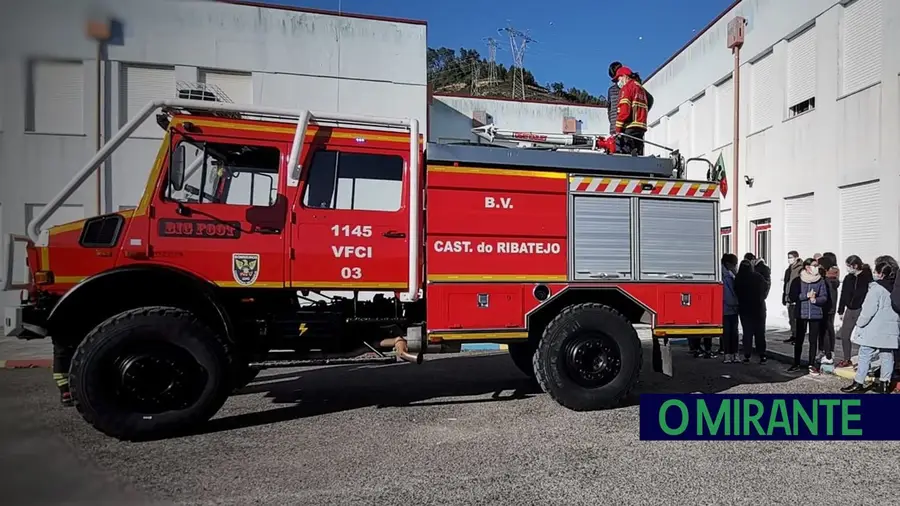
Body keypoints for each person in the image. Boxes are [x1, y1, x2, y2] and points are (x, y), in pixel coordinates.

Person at [840, 260, 899, 394]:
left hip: (874, 329)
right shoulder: (895, 288)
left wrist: (859, 323)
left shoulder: (876, 289)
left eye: (876, 271)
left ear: (881, 274)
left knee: (865, 354)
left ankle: (858, 383)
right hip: (891, 329)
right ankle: (885, 384)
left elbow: (868, 311)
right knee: (887, 355)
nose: (874, 274)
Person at [787, 258, 828, 374]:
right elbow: (792, 296)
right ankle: (796, 363)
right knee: (799, 340)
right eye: (814, 265)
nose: (817, 267)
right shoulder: (797, 280)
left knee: (813, 340)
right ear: (807, 267)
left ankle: (811, 364)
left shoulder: (820, 280)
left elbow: (824, 296)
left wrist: (816, 300)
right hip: (801, 313)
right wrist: (806, 295)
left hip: (815, 314)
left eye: (817, 265)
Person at [837, 256, 872, 368]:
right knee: (845, 335)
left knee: (863, 337)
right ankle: (847, 358)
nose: (847, 268)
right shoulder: (848, 278)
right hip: (850, 309)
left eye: (849, 266)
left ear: (855, 266)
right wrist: (841, 309)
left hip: (861, 309)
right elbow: (843, 293)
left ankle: (864, 361)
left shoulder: (866, 278)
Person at [735, 259, 767, 363]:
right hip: (759, 308)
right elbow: (765, 288)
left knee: (747, 332)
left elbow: (736, 292)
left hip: (745, 309)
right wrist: (761, 298)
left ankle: (747, 354)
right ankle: (762, 355)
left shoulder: (738, 278)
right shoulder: (758, 277)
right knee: (760, 333)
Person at [613, 66, 649, 156]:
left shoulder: (627, 88)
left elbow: (624, 111)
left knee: (626, 157)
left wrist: (617, 129)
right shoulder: (640, 88)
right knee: (638, 157)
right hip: (641, 128)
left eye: (618, 78)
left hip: (630, 127)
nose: (618, 82)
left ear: (625, 76)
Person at [816, 252, 840, 366]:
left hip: (826, 308)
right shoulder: (833, 279)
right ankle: (829, 352)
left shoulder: (826, 280)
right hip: (831, 307)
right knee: (829, 330)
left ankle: (827, 354)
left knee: (825, 331)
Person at [721, 253, 740, 363]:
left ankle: (733, 353)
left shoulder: (731, 275)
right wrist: (735, 303)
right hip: (727, 308)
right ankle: (729, 354)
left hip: (732, 308)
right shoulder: (725, 276)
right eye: (734, 264)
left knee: (734, 332)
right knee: (728, 332)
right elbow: (727, 294)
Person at [782, 251, 803, 344]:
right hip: (789, 297)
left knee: (796, 319)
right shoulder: (789, 269)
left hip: (796, 297)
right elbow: (786, 284)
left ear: (796, 258)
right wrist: (785, 297)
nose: (789, 259)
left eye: (791, 257)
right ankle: (793, 335)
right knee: (791, 319)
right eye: (788, 257)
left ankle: (798, 337)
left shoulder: (800, 269)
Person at [606, 61, 622, 137]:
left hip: (616, 128)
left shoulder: (611, 90)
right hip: (620, 128)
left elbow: (609, 109)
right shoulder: (611, 90)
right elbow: (609, 109)